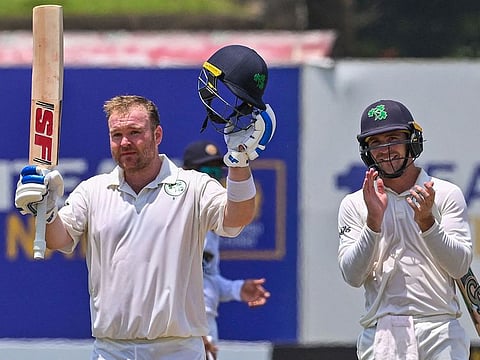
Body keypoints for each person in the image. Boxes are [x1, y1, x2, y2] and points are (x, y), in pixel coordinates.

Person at [14, 44, 275, 360]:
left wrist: (239, 161)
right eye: (116, 135)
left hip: (178, 350)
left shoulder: (192, 187)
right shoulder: (93, 191)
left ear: (158, 135)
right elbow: (58, 239)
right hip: (111, 350)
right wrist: (44, 207)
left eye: (135, 132)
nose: (125, 143)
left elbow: (237, 219)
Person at [337, 99, 472, 359]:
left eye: (393, 138)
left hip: (440, 329)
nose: (385, 150)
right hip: (381, 332)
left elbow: (459, 266)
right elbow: (352, 276)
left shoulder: (444, 194)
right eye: (375, 142)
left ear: (413, 140)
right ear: (366, 150)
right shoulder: (355, 204)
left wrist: (427, 223)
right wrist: (373, 223)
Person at [183, 140, 271, 359]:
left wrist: (235, 289)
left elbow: (207, 277)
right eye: (205, 171)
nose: (211, 180)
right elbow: (168, 283)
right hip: (182, 333)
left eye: (216, 173)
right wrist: (194, 333)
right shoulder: (176, 218)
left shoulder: (210, 222)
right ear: (185, 175)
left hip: (204, 328)